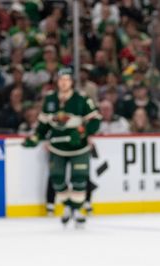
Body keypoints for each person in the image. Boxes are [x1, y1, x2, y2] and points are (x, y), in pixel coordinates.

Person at [23, 67, 101, 227]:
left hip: (78, 147)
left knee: (79, 179)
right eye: (61, 79)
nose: (64, 83)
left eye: (67, 79)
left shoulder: (82, 99)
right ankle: (68, 206)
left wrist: (81, 132)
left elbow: (95, 120)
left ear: (72, 82)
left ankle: (78, 211)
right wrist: (35, 137)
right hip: (57, 147)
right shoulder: (50, 100)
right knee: (57, 179)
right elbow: (44, 124)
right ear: (57, 82)